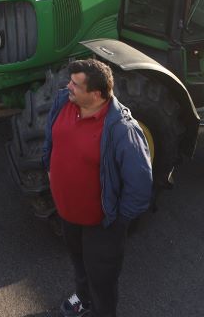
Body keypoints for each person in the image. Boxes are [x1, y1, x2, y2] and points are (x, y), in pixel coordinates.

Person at [44, 59, 152, 317]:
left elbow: (140, 186)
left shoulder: (122, 130)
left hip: (101, 225)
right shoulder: (63, 103)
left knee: (102, 279)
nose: (68, 86)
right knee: (79, 264)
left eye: (75, 84)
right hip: (68, 213)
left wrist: (116, 221)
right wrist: (50, 171)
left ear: (96, 94)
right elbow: (51, 140)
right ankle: (83, 298)